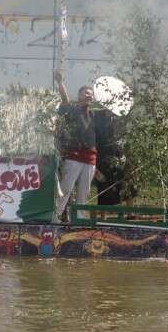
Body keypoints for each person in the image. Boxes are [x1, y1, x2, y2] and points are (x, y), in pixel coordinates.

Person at [53, 71, 97, 222]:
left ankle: (79, 220)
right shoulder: (72, 110)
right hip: (74, 156)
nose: (89, 96)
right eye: (86, 93)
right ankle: (56, 216)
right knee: (66, 189)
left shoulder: (93, 114)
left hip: (90, 159)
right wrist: (61, 82)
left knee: (84, 193)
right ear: (79, 95)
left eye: (91, 94)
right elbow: (65, 99)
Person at [93, 109, 137, 220]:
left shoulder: (119, 120)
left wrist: (128, 158)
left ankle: (130, 214)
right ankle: (103, 217)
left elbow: (124, 140)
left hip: (119, 155)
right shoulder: (96, 116)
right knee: (103, 185)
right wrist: (95, 167)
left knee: (128, 181)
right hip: (102, 157)